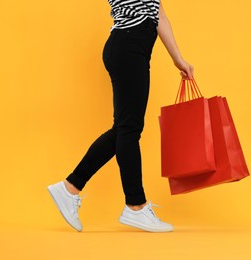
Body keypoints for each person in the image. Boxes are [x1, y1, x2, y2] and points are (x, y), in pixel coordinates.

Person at [47, 0, 194, 232]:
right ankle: (135, 205)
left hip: (133, 47)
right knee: (129, 129)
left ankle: (70, 187)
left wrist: (178, 59)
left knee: (124, 129)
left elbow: (159, 15)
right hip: (128, 44)